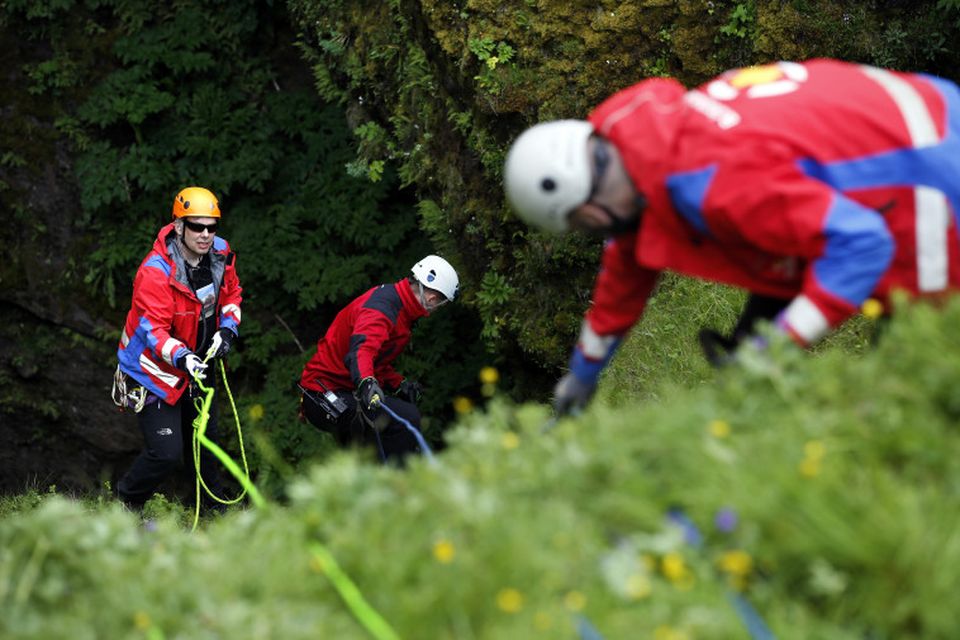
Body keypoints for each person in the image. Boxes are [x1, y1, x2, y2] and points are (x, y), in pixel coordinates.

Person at [503, 58, 960, 414]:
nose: (596, 232)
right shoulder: (657, 145)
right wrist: (582, 374)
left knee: (916, 390)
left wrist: (774, 351)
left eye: (584, 225)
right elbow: (625, 269)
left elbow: (862, 244)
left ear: (583, 204)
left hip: (931, 182)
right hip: (936, 113)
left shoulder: (716, 180)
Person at [113, 186, 242, 510]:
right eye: (197, 226)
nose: (205, 234)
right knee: (166, 451)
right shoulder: (155, 272)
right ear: (179, 226)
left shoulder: (221, 254)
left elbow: (231, 297)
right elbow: (153, 330)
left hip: (200, 364)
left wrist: (227, 331)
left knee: (206, 440)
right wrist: (183, 357)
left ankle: (210, 504)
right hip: (154, 372)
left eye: (211, 227)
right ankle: (126, 502)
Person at [299, 255, 459, 462]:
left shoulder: (399, 307)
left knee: (378, 445)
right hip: (324, 393)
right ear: (432, 299)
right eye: (440, 304)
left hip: (339, 389)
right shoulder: (383, 308)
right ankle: (399, 488)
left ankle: (378, 486)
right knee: (406, 419)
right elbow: (361, 351)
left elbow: (375, 360)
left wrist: (399, 384)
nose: (437, 309)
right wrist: (367, 382)